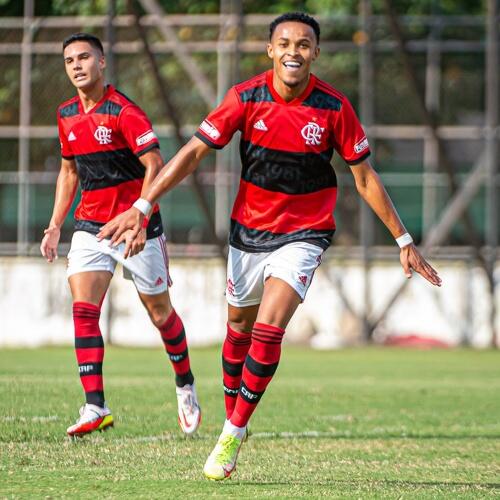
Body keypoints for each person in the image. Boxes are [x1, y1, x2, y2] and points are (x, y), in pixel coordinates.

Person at [98, 12, 442, 479]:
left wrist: (403, 239)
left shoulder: (334, 107)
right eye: (284, 43)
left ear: (316, 53)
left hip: (305, 232)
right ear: (270, 50)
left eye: (304, 44)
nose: (293, 52)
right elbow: (194, 152)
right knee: (237, 328)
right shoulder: (245, 97)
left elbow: (364, 177)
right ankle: (231, 414)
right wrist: (142, 205)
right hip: (248, 232)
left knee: (269, 326)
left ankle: (232, 433)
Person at [40, 33, 201, 438]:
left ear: (102, 62)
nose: (76, 66)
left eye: (84, 58)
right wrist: (56, 224)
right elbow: (69, 172)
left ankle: (185, 383)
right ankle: (95, 405)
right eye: (69, 60)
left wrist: (141, 219)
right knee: (83, 311)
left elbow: (155, 164)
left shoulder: (124, 112)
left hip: (135, 227)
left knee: (160, 315)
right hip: (90, 227)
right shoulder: (65, 115)